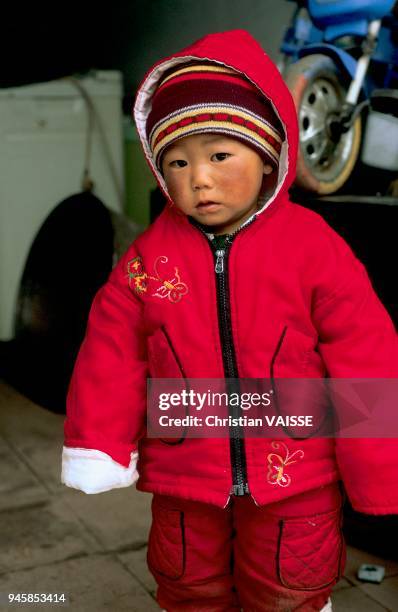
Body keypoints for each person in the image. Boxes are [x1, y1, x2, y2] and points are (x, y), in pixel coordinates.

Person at [61, 30, 398, 611]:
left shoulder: (312, 247)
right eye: (177, 161)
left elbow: (364, 352)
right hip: (185, 471)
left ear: (268, 155)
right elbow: (110, 353)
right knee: (189, 586)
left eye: (220, 154)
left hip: (297, 473)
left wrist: (375, 464)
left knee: (291, 590)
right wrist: (99, 443)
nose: (199, 178)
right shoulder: (149, 261)